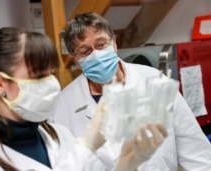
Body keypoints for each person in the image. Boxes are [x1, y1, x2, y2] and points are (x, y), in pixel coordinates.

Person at [0, 27, 167, 171]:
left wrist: (125, 165)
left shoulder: (60, 136)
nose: (51, 84)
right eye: (37, 75)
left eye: (50, 73)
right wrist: (87, 145)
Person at [51, 12, 211, 171]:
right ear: (75, 60)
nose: (96, 55)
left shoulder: (157, 82)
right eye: (85, 51)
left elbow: (199, 157)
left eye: (101, 44)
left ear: (114, 43)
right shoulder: (63, 106)